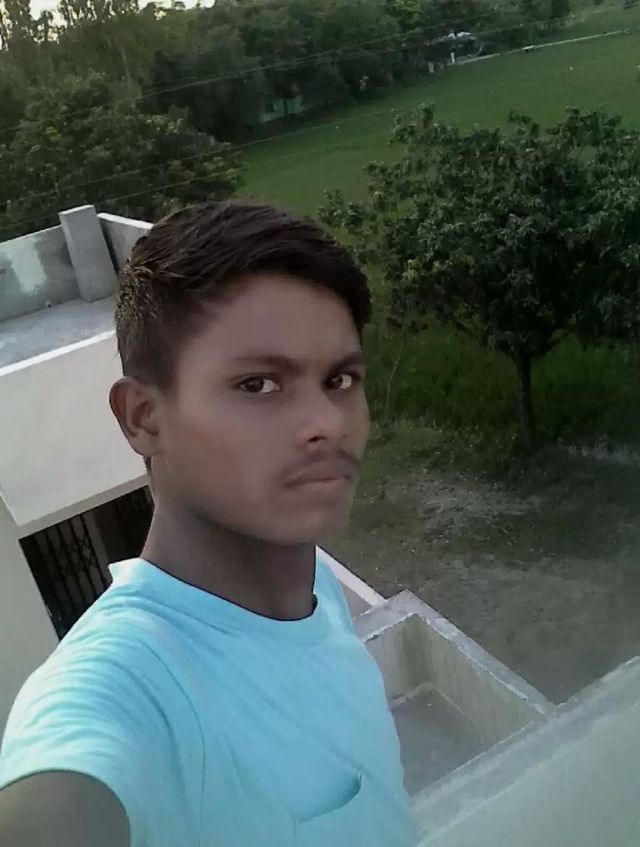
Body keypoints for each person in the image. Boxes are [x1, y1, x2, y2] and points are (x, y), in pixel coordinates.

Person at [0, 201, 418, 847]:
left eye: (340, 379)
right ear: (143, 418)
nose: (327, 422)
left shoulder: (314, 591)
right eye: (258, 385)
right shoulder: (122, 690)